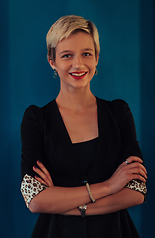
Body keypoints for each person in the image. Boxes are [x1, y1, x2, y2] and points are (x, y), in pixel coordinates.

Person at [20, 15, 147, 238]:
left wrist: (63, 202)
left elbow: (136, 191)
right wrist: (109, 186)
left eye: (86, 54)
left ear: (97, 57)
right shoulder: (36, 119)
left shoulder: (119, 113)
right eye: (66, 55)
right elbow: (35, 199)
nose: (78, 64)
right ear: (52, 60)